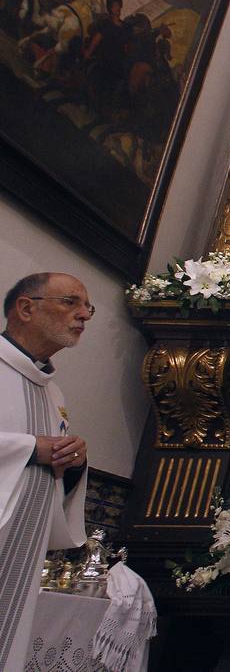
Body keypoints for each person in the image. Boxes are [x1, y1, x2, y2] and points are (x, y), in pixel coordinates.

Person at [0, 273, 91, 672]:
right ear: (25, 307)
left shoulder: (51, 392)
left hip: (21, 546)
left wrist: (74, 461)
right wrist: (28, 448)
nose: (84, 314)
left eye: (87, 307)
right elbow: (33, 451)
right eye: (70, 302)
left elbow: (47, 470)